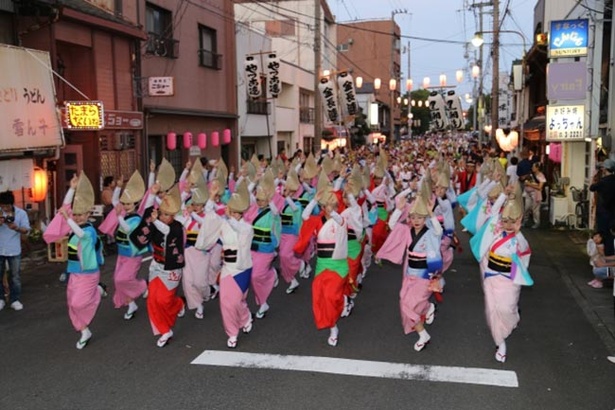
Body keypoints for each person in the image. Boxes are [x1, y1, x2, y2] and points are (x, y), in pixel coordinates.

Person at [376, 185, 443, 352]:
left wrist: (432, 213)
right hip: (409, 273)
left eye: (420, 217)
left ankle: (423, 334)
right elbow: (392, 225)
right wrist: (399, 210)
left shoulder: (431, 232)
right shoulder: (406, 231)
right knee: (404, 301)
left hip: (425, 274)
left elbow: (439, 230)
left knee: (408, 305)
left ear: (425, 218)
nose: (416, 220)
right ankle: (428, 308)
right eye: (413, 217)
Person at [471, 183, 532, 363]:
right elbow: (493, 213)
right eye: (505, 221)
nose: (507, 225)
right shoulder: (495, 231)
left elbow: (525, 253)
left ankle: (514, 318)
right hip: (491, 276)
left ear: (518, 222)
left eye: (512, 222)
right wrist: (503, 196)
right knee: (492, 311)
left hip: (509, 280)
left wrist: (518, 232)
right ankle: (501, 343)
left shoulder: (519, 239)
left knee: (506, 309)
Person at [196, 179, 254, 348]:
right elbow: (209, 214)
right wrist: (212, 197)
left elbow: (240, 229)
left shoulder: (247, 227)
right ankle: (232, 333)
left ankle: (245, 317)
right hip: (228, 268)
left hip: (242, 268)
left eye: (236, 212)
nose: (233, 214)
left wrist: (230, 218)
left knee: (238, 301)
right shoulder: (224, 223)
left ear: (241, 213)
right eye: (231, 211)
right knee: (226, 302)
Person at [134, 184, 186, 347]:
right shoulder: (156, 220)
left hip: (171, 268)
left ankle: (179, 304)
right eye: (162, 214)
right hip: (156, 266)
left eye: (167, 215)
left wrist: (156, 220)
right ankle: (165, 331)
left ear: (174, 215)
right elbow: (148, 212)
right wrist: (152, 193)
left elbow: (164, 229)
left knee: (164, 300)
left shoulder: (177, 227)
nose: (163, 217)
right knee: (152, 300)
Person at [58, 172, 104, 349]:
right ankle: (84, 330)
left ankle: (97, 292)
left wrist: (69, 219)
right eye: (75, 214)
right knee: (72, 304)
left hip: (88, 273)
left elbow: (81, 234)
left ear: (88, 214)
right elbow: (65, 207)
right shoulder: (72, 225)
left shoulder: (89, 231)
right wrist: (72, 188)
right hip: (74, 272)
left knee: (79, 303)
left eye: (81, 214)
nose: (77, 217)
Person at [110, 171, 148, 320]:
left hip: (133, 255)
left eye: (128, 203)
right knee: (117, 280)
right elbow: (114, 202)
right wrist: (118, 188)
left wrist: (119, 215)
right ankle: (131, 303)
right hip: (122, 253)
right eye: (124, 203)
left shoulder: (136, 219)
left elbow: (126, 228)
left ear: (136, 203)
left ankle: (143, 286)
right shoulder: (124, 213)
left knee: (123, 279)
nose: (125, 206)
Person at [0, 190, 31, 311]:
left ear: (12, 204)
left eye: (6, 206)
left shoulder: (21, 213)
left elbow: (26, 230)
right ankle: (1, 299)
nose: (4, 209)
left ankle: (15, 299)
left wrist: (16, 228)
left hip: (14, 248)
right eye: (2, 206)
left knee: (15, 276)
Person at [590, 158, 615, 256]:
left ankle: (604, 257)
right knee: (611, 235)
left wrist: (594, 176)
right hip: (613, 212)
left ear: (605, 169)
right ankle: (611, 255)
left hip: (603, 212)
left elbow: (592, 188)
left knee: (602, 234)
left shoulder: (603, 182)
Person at [523, 162, 546, 229]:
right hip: (528, 194)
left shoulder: (541, 176)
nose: (532, 168)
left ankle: (537, 222)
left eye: (534, 167)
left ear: (537, 168)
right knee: (527, 208)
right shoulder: (530, 174)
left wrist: (530, 184)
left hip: (536, 194)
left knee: (535, 209)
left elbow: (540, 187)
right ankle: (525, 221)